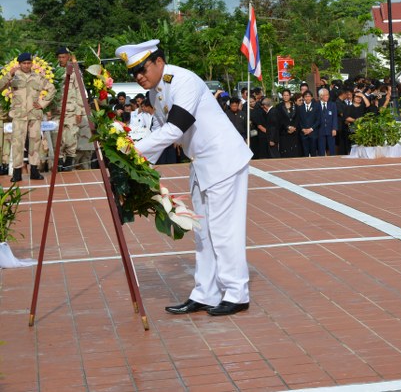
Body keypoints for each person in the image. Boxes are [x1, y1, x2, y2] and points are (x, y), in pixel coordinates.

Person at [116, 39, 252, 316]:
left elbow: (176, 128)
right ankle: (206, 292)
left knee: (225, 230)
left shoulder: (183, 80)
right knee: (203, 232)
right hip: (201, 164)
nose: (139, 77)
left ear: (159, 62)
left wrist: (131, 152)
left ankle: (237, 292)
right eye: (134, 74)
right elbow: (158, 136)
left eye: (142, 69)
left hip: (223, 160)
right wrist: (134, 166)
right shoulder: (156, 93)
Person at [0, 53, 55, 182]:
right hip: (19, 116)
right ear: (19, 64)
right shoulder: (14, 77)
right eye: (23, 63)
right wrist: (9, 75)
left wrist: (42, 104)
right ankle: (17, 172)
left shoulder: (38, 77)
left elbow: (51, 89)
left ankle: (34, 171)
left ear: (31, 64)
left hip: (34, 115)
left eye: (28, 63)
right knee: (17, 143)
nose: (26, 65)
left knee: (35, 142)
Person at [52, 47, 85, 172]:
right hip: (57, 110)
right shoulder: (53, 71)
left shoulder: (74, 70)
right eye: (59, 57)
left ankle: (70, 160)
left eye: (64, 57)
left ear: (68, 56)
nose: (61, 59)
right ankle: (59, 161)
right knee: (57, 137)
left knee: (70, 136)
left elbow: (79, 90)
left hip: (71, 109)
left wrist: (79, 111)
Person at [277, 89, 301, 158]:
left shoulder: (295, 106)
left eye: (287, 95)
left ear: (290, 96)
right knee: (285, 151)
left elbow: (297, 118)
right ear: (282, 96)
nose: (286, 97)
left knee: (294, 151)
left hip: (294, 132)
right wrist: (287, 127)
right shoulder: (279, 106)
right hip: (284, 132)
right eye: (284, 95)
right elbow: (279, 119)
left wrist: (294, 127)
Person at [297, 91, 320, 157]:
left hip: (313, 133)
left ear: (311, 97)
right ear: (303, 98)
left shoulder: (316, 107)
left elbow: (318, 120)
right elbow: (299, 120)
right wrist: (302, 129)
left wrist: (311, 129)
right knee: (305, 153)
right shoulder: (300, 108)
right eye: (306, 96)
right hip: (303, 133)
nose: (307, 98)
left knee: (313, 153)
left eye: (309, 96)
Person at [317, 88, 338, 156]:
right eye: (325, 95)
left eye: (328, 95)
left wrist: (334, 128)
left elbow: (335, 117)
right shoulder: (316, 105)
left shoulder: (332, 104)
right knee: (321, 148)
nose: (327, 96)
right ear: (321, 96)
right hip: (320, 130)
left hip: (330, 129)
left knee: (332, 148)